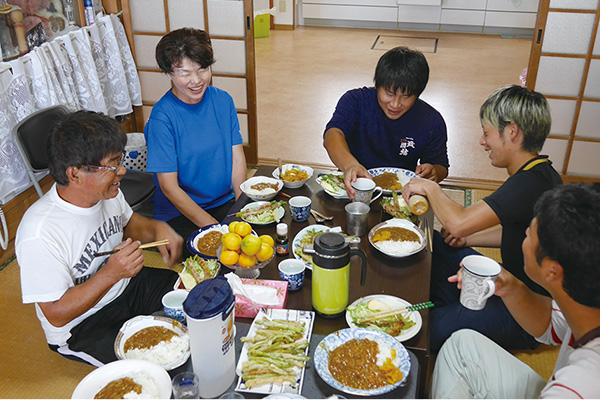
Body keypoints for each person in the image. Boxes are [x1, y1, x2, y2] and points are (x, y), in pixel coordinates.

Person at [401, 85, 563, 352]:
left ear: (511, 132)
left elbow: (458, 221)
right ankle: (452, 307)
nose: (482, 141)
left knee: (428, 328)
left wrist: (431, 188)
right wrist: (469, 238)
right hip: (508, 279)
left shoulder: (529, 183)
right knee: (438, 246)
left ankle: (449, 311)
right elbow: (514, 231)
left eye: (486, 133)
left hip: (524, 311)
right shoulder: (539, 172)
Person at [15, 111, 183, 367]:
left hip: (127, 286)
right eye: (112, 164)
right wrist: (111, 274)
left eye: (120, 160)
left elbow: (128, 223)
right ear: (75, 174)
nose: (122, 170)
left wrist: (155, 229)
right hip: (85, 323)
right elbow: (56, 314)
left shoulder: (108, 192)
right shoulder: (39, 232)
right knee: (157, 365)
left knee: (197, 298)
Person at [430, 183, 600, 398]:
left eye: (528, 235)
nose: (523, 239)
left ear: (552, 271)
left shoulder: (579, 387)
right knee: (461, 343)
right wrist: (510, 286)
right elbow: (550, 323)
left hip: (564, 388)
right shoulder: (585, 305)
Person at [145, 28, 247, 250]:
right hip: (179, 212)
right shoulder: (162, 118)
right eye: (184, 73)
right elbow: (170, 188)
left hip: (223, 201)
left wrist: (242, 209)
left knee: (255, 240)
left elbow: (237, 159)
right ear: (169, 73)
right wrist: (215, 227)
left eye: (203, 69)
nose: (196, 81)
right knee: (222, 255)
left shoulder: (223, 101)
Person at [323, 46, 449, 199]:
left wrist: (433, 172)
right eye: (389, 93)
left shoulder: (431, 120)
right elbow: (332, 135)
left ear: (418, 93)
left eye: (406, 96)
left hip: (402, 194)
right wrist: (350, 165)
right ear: (377, 85)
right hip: (353, 187)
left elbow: (441, 166)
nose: (395, 104)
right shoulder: (355, 101)